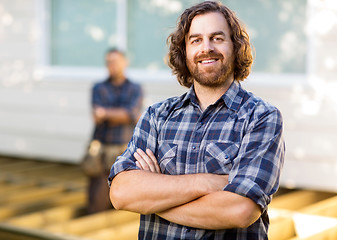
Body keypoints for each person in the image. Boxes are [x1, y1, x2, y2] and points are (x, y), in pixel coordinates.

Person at [108, 1, 285, 239]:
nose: (206, 48)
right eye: (196, 40)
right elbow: (121, 193)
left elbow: (240, 210)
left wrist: (154, 196)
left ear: (236, 46)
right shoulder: (157, 116)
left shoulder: (261, 117)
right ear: (185, 50)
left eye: (217, 38)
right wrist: (206, 183)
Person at [87, 48, 143, 214]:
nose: (113, 65)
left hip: (125, 150)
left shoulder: (135, 88)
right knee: (97, 198)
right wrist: (124, 114)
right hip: (101, 150)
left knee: (124, 198)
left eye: (116, 61)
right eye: (109, 62)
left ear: (125, 63)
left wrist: (106, 113)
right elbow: (97, 115)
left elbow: (133, 114)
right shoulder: (98, 87)